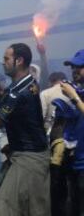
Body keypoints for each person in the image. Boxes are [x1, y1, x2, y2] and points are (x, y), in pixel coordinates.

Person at [0, 43, 50, 215]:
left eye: (6, 59)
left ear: (19, 61)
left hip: (29, 159)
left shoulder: (19, 92)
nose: (3, 62)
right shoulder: (27, 83)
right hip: (28, 154)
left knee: (5, 209)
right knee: (31, 209)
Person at [50, 49, 84, 216]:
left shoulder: (77, 96)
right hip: (74, 161)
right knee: (73, 205)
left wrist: (74, 97)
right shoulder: (78, 93)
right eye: (72, 67)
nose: (74, 70)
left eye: (79, 67)